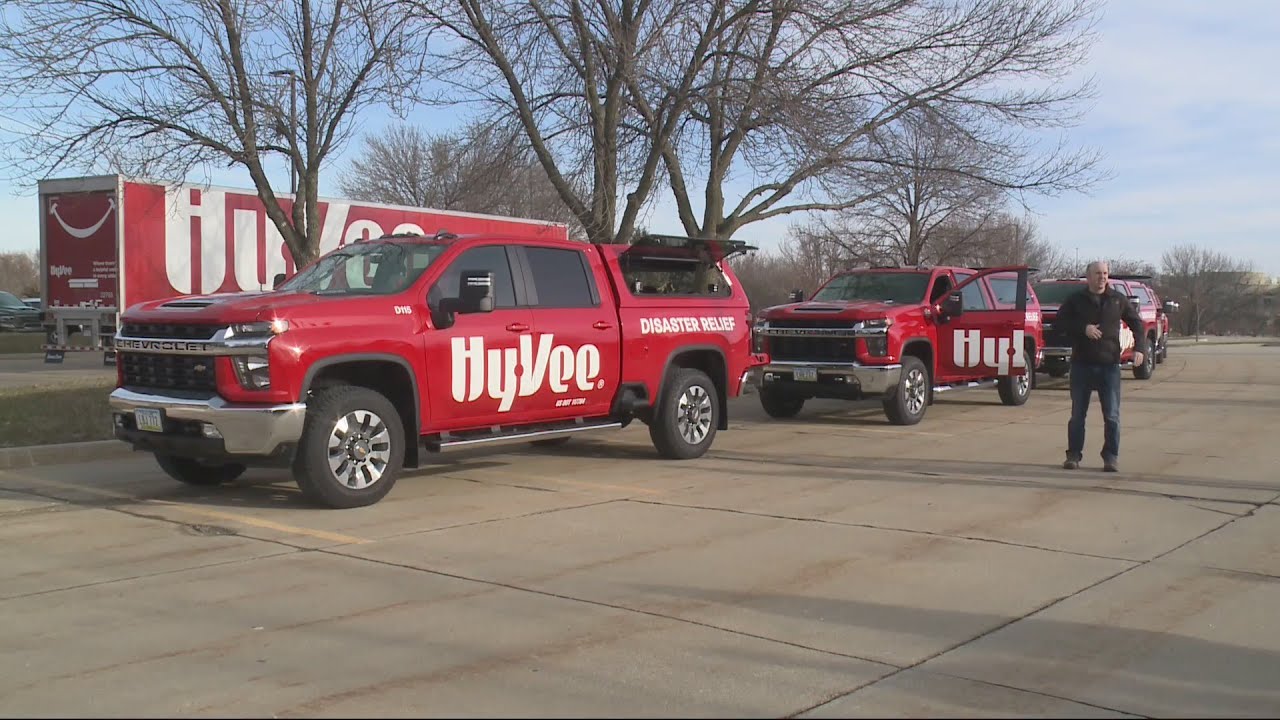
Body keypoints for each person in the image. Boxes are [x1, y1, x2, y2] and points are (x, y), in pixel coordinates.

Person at [1050, 260, 1146, 472]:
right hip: (1082, 365)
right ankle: (1073, 455)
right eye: (1097, 273)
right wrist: (1083, 328)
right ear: (1088, 277)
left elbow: (1137, 323)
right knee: (1077, 415)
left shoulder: (1117, 300)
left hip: (1109, 366)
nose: (1102, 277)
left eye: (1105, 273)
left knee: (1112, 415)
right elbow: (1060, 323)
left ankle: (1110, 457)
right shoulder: (1076, 300)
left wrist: (1140, 348)